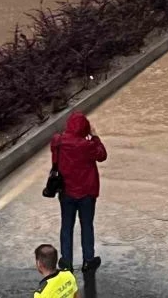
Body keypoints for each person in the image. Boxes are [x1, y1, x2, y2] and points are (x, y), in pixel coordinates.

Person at [52, 112, 107, 272]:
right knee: (87, 225)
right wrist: (95, 136)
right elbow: (102, 155)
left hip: (66, 191)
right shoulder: (87, 145)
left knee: (66, 226)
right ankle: (88, 260)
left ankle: (66, 262)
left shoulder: (58, 142)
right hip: (87, 192)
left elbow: (55, 161)